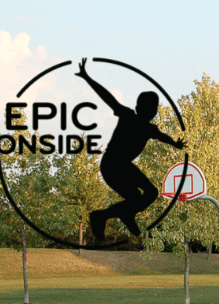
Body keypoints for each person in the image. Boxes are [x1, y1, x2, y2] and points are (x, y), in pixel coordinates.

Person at [75, 58, 185, 240]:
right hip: (111, 164)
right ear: (138, 108)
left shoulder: (150, 129)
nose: (153, 111)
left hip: (123, 165)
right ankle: (105, 216)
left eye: (154, 108)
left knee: (147, 194)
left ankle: (115, 215)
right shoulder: (127, 115)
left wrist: (175, 143)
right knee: (140, 196)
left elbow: (163, 137)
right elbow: (107, 97)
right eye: (150, 107)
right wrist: (87, 78)